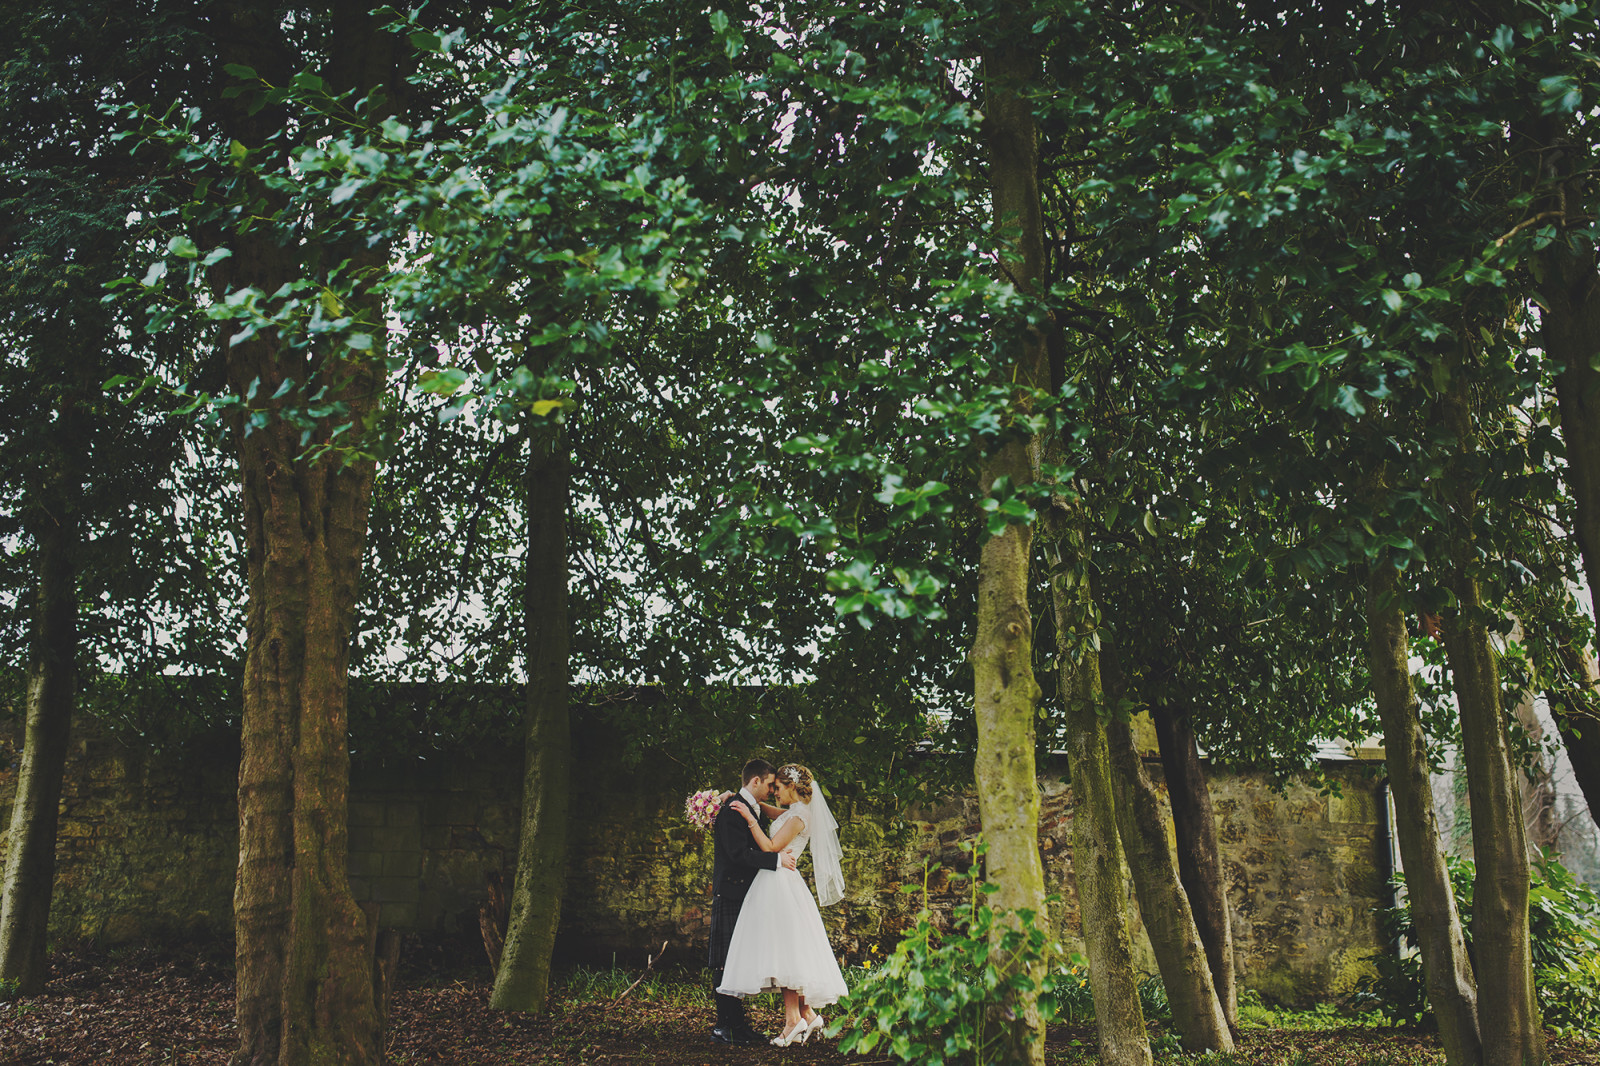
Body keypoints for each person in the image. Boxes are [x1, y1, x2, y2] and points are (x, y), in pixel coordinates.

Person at [716, 763, 848, 1047]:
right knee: (786, 948)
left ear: (790, 787)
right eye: (771, 787)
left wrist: (750, 822)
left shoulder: (800, 817)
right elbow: (764, 809)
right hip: (776, 883)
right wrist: (738, 799)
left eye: (777, 787)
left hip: (780, 884)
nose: (774, 792)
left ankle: (793, 1021)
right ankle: (806, 1014)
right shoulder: (794, 812)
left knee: (785, 950)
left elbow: (771, 847)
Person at [709, 759, 797, 1046]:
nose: (773, 790)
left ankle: (737, 1025)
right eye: (771, 784)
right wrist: (776, 860)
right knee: (724, 961)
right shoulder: (732, 809)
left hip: (744, 894)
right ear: (755, 781)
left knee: (738, 959)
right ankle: (725, 1027)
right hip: (731, 893)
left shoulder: (750, 808)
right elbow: (737, 853)